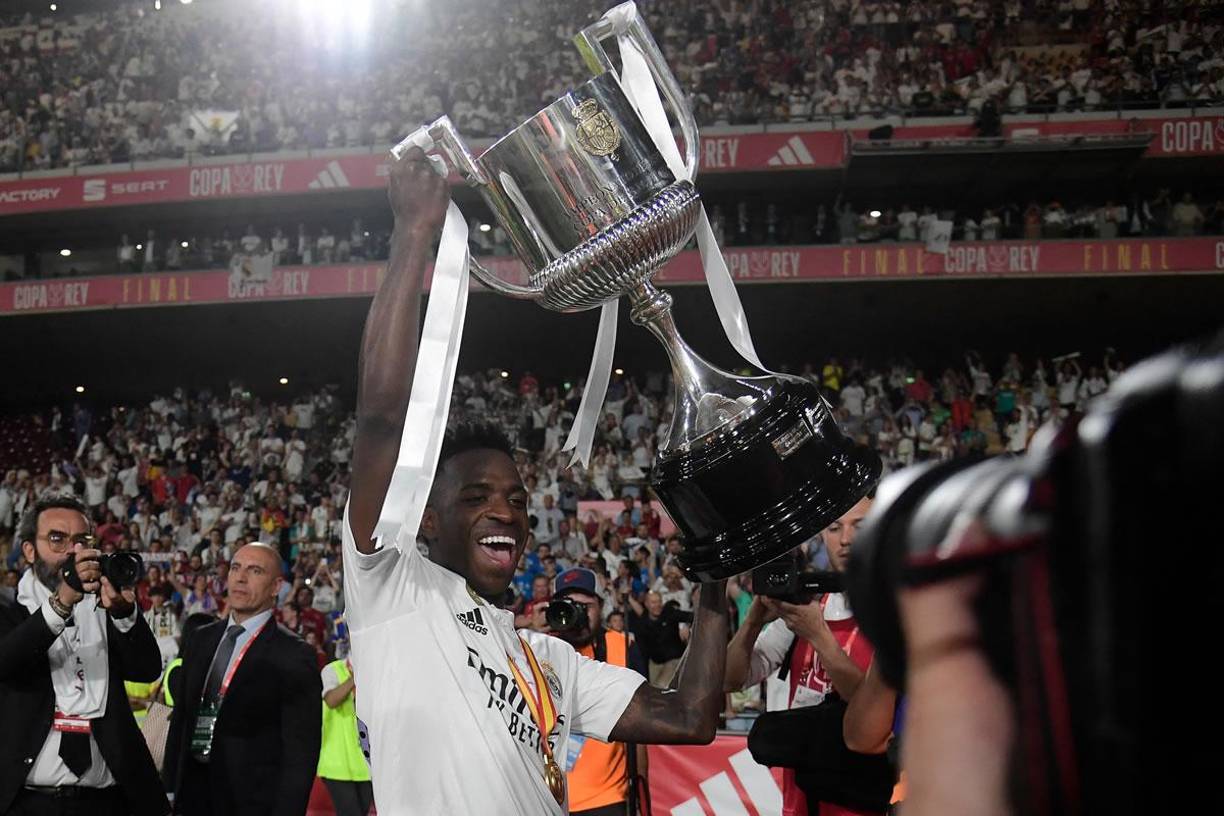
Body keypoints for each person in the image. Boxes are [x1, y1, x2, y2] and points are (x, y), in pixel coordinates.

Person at [343, 148, 729, 814]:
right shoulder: (394, 589)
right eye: (476, 497)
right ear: (425, 521)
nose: (506, 512)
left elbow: (690, 717)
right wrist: (413, 234)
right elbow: (382, 419)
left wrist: (718, 580)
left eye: (517, 500)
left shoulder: (548, 660)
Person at [0, 493, 169, 815]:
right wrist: (62, 601)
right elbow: (7, 662)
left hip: (107, 800)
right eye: (57, 539)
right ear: (29, 550)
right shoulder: (8, 607)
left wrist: (124, 614)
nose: (71, 552)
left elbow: (146, 669)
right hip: (25, 801)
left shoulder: (105, 604)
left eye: (81, 540)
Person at [724, 495, 879, 816]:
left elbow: (873, 712)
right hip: (800, 803)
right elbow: (731, 679)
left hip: (864, 803)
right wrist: (752, 621)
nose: (846, 539)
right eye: (835, 528)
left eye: (859, 527)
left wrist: (819, 636)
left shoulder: (895, 616)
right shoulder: (807, 611)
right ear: (823, 535)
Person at [163, 543, 322, 816]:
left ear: (276, 587)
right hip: (192, 794)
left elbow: (301, 753)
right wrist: (168, 789)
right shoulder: (201, 638)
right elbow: (181, 720)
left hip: (252, 802)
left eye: (255, 570)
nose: (240, 577)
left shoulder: (295, 654)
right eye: (235, 567)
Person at [548, 568, 649, 816]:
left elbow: (641, 732)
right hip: (550, 796)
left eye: (586, 606)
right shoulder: (539, 649)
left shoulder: (624, 646)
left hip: (607, 798)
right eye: (569, 606)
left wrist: (641, 793)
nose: (579, 614)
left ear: (601, 606)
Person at [318, 653, 373, 816]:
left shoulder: (375, 674)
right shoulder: (332, 670)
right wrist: (355, 679)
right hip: (337, 764)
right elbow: (331, 700)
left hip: (365, 767)